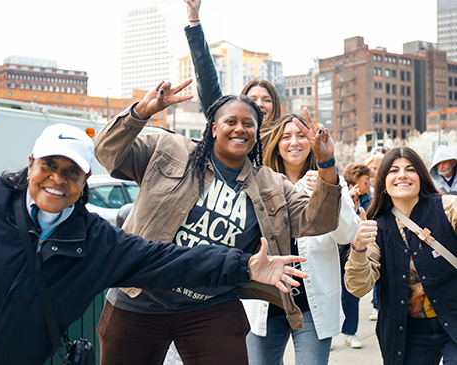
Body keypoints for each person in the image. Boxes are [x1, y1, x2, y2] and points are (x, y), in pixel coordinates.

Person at [0, 122, 311, 364]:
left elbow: (166, 260)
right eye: (49, 165)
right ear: (31, 163)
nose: (58, 179)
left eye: (71, 171)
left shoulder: (96, 242)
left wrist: (246, 265)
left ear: (85, 180)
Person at [93, 80, 342, 364]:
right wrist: (140, 112)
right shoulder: (169, 149)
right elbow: (106, 153)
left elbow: (319, 221)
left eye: (249, 124)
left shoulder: (270, 184)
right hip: (141, 297)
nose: (240, 129)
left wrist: (326, 163)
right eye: (231, 121)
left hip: (210, 304)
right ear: (213, 128)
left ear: (257, 132)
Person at [243, 113, 360, 365]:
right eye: (286, 137)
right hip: (264, 298)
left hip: (311, 302)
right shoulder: (258, 182)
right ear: (276, 144)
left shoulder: (329, 180)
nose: (294, 142)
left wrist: (326, 188)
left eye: (300, 136)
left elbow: (347, 234)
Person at [345, 146, 457, 365]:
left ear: (421, 177)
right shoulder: (377, 227)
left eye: (410, 169)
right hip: (408, 332)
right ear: (384, 182)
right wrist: (358, 248)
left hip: (453, 318)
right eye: (393, 170)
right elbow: (358, 286)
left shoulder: (448, 207)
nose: (402, 175)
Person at [184, 0, 281, 136]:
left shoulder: (285, 140)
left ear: (276, 106)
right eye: (253, 99)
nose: (260, 104)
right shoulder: (230, 133)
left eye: (267, 100)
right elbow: (207, 80)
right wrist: (194, 22)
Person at [337, 163, 373, 348]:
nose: (369, 184)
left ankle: (349, 332)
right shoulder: (339, 194)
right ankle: (325, 335)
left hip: (352, 251)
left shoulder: (370, 198)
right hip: (334, 251)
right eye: (366, 181)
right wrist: (348, 203)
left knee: (351, 293)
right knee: (331, 293)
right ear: (354, 182)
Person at [365, 153, 385, 321]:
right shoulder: (364, 187)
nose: (373, 171)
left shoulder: (385, 187)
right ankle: (376, 305)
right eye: (370, 167)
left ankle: (379, 305)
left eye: (376, 167)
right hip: (370, 230)